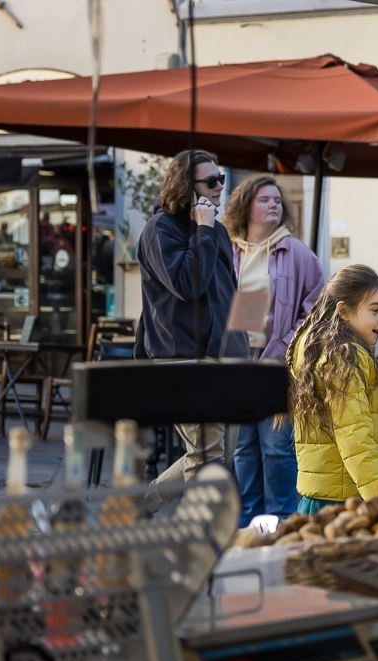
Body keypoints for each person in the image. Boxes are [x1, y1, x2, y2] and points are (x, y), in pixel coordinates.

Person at [137, 149, 248, 504]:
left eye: (222, 179)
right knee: (208, 459)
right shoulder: (160, 229)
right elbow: (187, 285)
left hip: (224, 356)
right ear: (186, 186)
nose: (219, 187)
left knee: (214, 456)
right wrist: (202, 229)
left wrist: (244, 342)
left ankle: (144, 504)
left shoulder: (215, 229)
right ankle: (204, 538)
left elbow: (227, 293)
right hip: (184, 357)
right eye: (211, 180)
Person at [223, 175, 324, 524]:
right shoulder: (228, 248)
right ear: (245, 206)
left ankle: (282, 520)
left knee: (277, 448)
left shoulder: (295, 252)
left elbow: (315, 310)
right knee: (243, 449)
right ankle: (247, 523)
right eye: (265, 199)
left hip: (276, 363)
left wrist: (284, 345)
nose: (273, 205)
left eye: (277, 201)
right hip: (235, 362)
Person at [287, 265, 378, 515]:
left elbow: (350, 429)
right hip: (342, 504)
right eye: (375, 310)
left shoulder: (323, 349)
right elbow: (355, 441)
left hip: (326, 497)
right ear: (344, 311)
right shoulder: (342, 358)